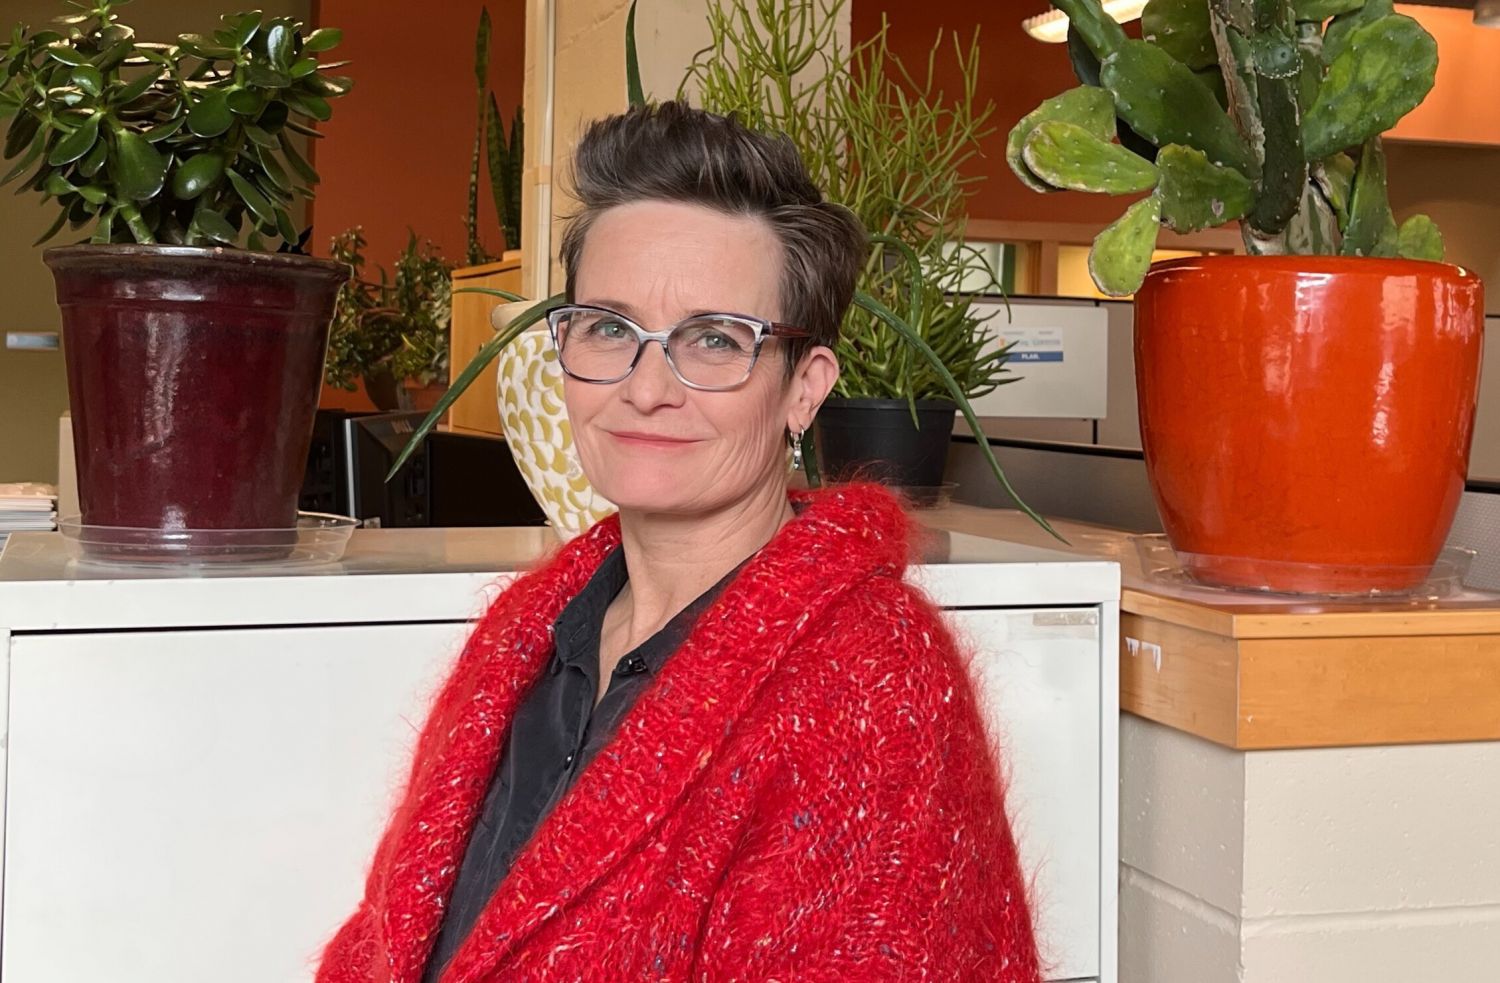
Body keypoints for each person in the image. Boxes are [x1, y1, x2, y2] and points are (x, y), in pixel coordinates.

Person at [316, 101, 1040, 982]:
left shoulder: (872, 688)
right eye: (610, 328)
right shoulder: (527, 630)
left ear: (804, 390)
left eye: (713, 339)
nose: (646, 388)